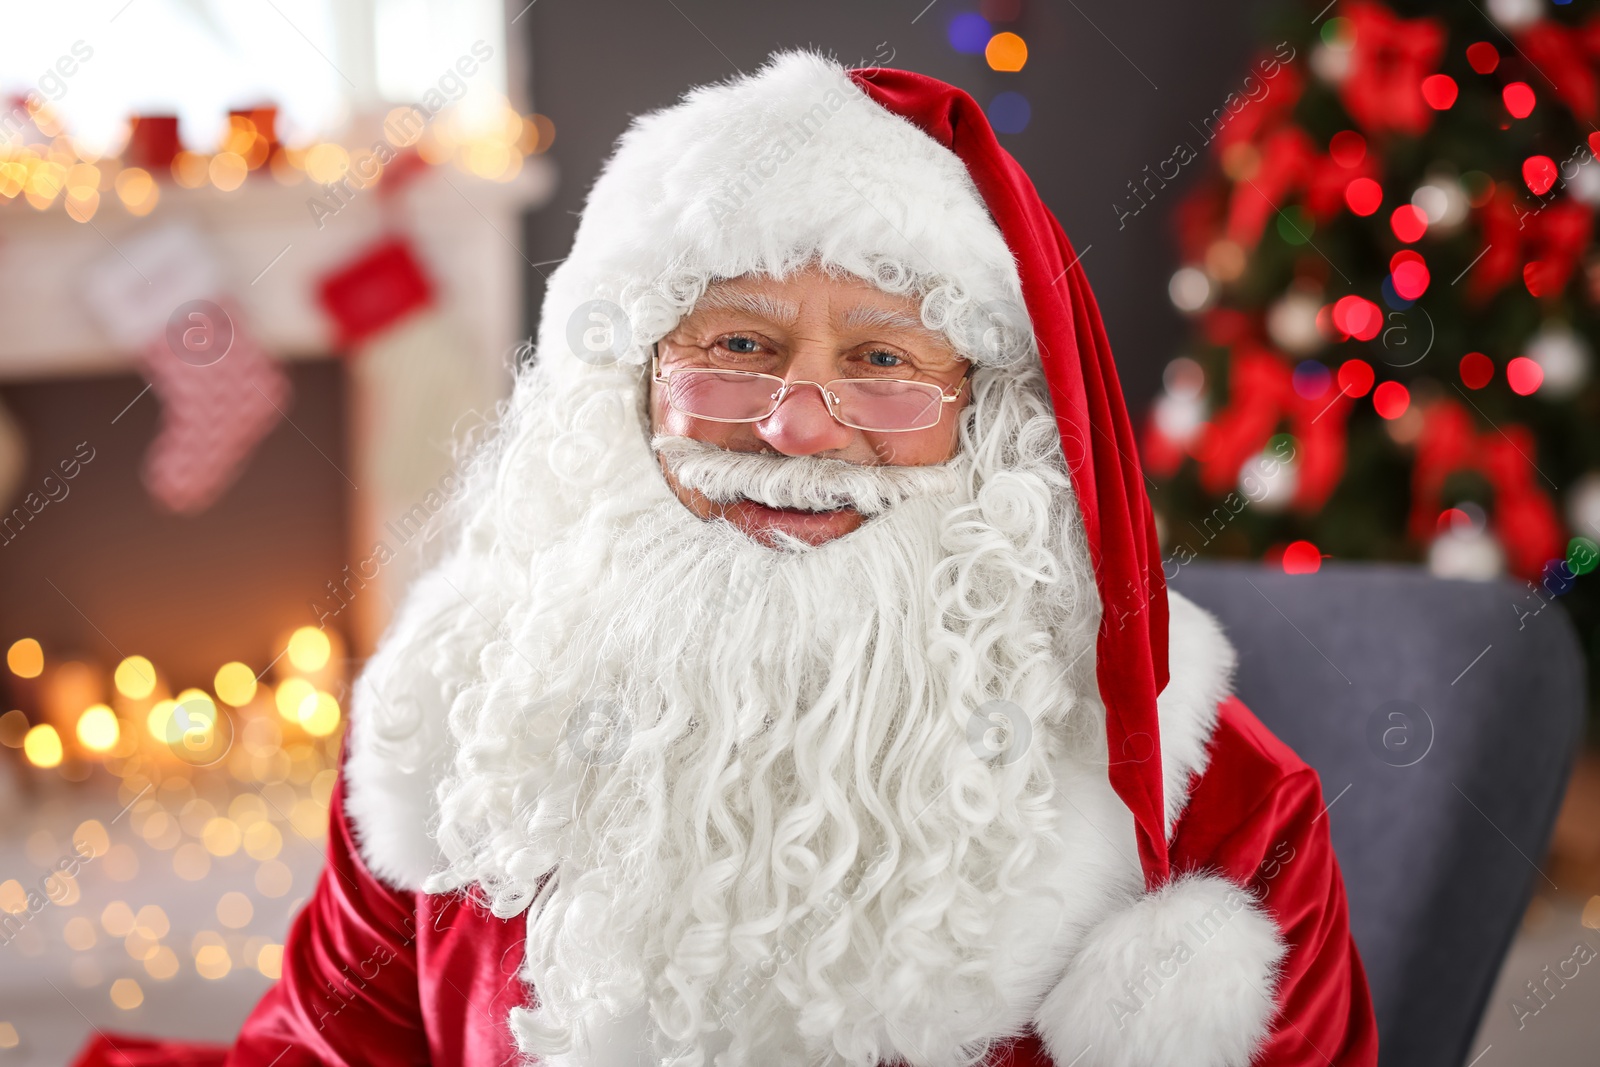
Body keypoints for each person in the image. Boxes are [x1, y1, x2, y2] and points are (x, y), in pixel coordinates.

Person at [73, 50, 1377, 1067]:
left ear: (992, 432)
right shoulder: (468, 733)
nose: (799, 424)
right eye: (738, 347)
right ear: (628, 388)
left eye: (883, 361)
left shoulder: (1228, 825)